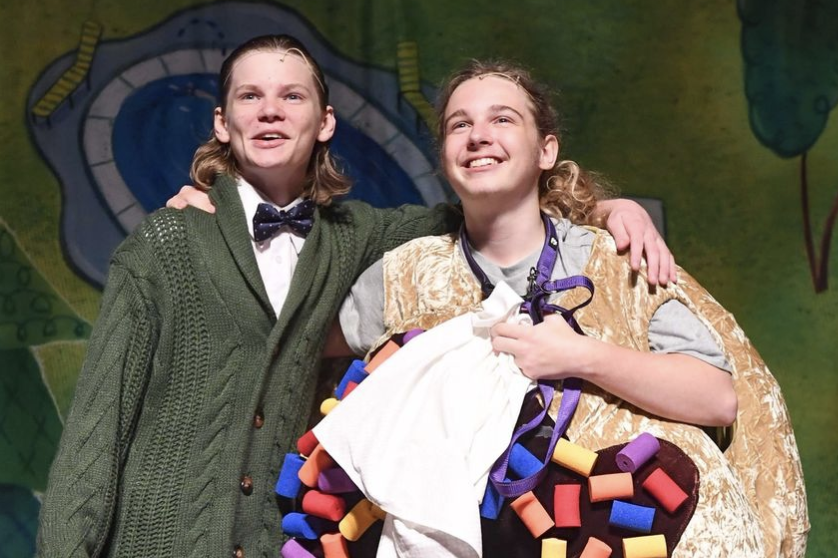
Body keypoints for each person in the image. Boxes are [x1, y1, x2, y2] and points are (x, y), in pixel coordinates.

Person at [36, 36, 674, 558]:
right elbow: (95, 432)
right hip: (158, 542)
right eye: (249, 96)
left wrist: (602, 206)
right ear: (222, 123)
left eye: (292, 96)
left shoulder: (363, 238)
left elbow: (489, 210)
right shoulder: (166, 242)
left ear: (324, 123)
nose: (269, 111)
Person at [325, 60, 806, 557]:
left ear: (546, 150)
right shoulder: (406, 275)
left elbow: (716, 398)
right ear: (444, 156)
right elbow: (300, 351)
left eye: (503, 119)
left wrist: (580, 356)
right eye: (459, 124)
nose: (478, 136)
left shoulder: (615, 258)